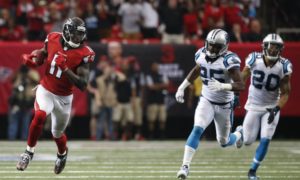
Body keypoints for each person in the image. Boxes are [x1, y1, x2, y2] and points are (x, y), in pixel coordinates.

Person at [16, 17, 95, 174]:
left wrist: (65, 69)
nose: (79, 38)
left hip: (64, 97)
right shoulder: (52, 38)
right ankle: (28, 153)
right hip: (46, 89)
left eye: (81, 34)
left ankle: (62, 154)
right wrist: (34, 58)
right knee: (39, 115)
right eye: (75, 34)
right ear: (66, 32)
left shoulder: (85, 53)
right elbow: (44, 54)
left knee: (57, 134)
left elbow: (83, 85)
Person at [175, 29, 245, 179]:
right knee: (197, 128)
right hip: (206, 100)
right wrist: (182, 87)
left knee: (224, 142)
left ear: (225, 46)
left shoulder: (229, 60)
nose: (212, 49)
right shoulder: (201, 54)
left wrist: (223, 86)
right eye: (210, 45)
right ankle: (185, 166)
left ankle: (239, 134)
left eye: (216, 46)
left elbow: (241, 84)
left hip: (225, 104)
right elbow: (196, 70)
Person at [241, 34, 292, 180]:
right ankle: (241, 131)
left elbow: (286, 93)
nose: (273, 49)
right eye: (271, 45)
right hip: (253, 106)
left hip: (271, 107)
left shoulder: (284, 66)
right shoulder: (253, 59)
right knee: (247, 141)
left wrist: (276, 108)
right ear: (264, 46)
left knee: (266, 139)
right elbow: (241, 79)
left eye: (277, 47)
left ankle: (252, 171)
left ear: (281, 49)